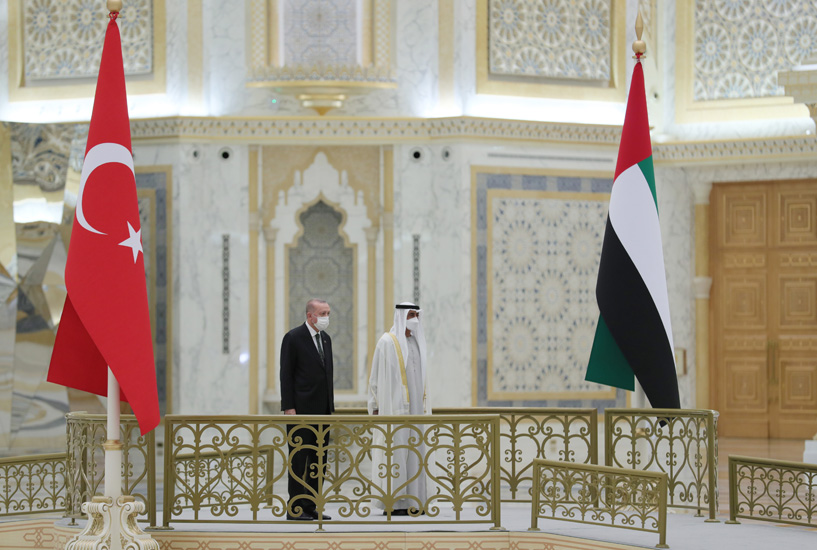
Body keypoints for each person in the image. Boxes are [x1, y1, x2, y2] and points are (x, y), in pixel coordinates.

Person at [367, 302, 431, 516]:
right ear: (402, 316)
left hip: (416, 412)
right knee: (395, 455)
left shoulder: (417, 343)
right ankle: (394, 503)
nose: (414, 318)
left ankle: (415, 501)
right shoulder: (387, 342)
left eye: (416, 315)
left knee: (415, 454)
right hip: (393, 411)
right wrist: (375, 406)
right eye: (410, 314)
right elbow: (375, 378)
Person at [280, 299, 335, 521]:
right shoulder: (293, 338)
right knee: (299, 460)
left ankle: (312, 505)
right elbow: (286, 374)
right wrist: (288, 407)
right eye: (323, 313)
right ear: (310, 315)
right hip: (300, 411)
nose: (326, 317)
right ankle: (295, 508)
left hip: (322, 412)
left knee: (318, 460)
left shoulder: (326, 339)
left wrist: (330, 407)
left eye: (328, 313)